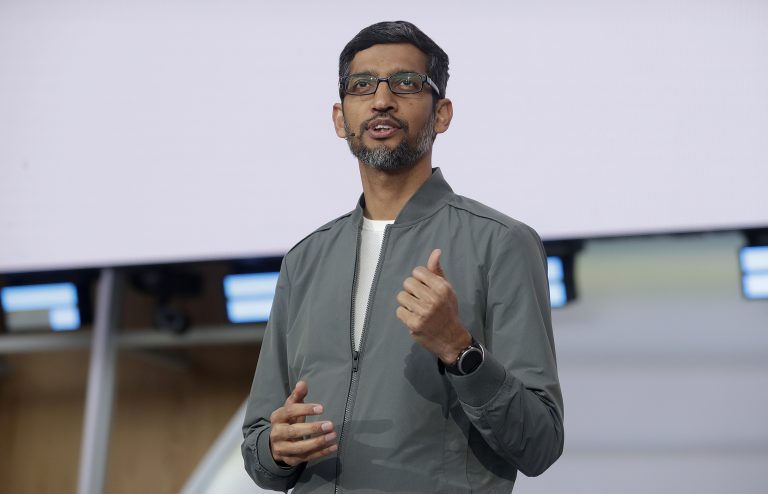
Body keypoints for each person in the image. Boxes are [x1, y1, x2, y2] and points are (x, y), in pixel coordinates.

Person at [242, 20, 564, 493]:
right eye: (362, 85)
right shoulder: (304, 260)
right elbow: (258, 448)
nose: (381, 100)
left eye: (407, 84)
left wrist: (460, 350)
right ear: (339, 117)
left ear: (442, 114)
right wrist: (276, 447)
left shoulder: (501, 243)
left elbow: (540, 443)